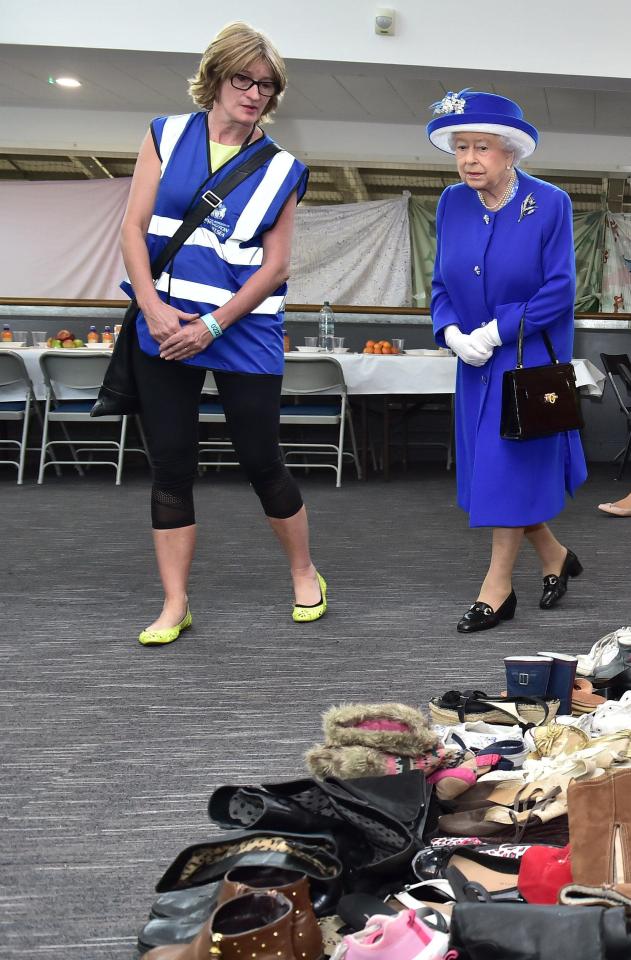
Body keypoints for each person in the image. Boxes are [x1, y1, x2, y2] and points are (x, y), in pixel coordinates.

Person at [120, 21, 326, 645]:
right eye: (243, 79)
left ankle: (304, 570)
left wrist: (213, 324)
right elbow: (133, 229)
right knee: (171, 465)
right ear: (215, 78)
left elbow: (277, 265)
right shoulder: (166, 134)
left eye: (266, 85)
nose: (254, 93)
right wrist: (155, 312)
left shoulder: (284, 167)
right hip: (164, 322)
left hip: (241, 327)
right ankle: (175, 601)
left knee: (261, 458)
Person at [427, 90, 587, 633]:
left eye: (483, 147)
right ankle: (554, 556)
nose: (470, 158)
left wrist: (497, 329)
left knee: (504, 467)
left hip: (523, 361)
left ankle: (497, 589)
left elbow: (560, 290)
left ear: (511, 152)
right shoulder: (451, 202)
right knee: (500, 471)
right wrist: (450, 331)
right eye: (461, 147)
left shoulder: (550, 203)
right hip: (473, 362)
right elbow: (440, 282)